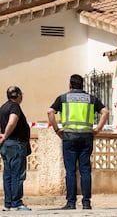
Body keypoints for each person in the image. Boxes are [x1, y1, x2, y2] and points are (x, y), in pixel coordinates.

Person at [47, 74, 109, 210]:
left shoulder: (63, 98)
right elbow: (105, 112)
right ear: (83, 85)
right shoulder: (91, 99)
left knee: (70, 171)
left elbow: (50, 112)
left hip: (69, 137)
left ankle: (71, 203)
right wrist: (98, 128)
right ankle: (86, 202)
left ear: (70, 85)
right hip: (86, 137)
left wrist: (57, 130)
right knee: (85, 170)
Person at [0, 86, 32, 211]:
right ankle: (16, 203)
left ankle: (8, 203)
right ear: (18, 95)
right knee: (17, 174)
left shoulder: (3, 107)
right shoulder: (14, 107)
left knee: (7, 174)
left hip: (6, 146)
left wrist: (2, 137)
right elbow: (12, 122)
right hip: (15, 144)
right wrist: (5, 136)